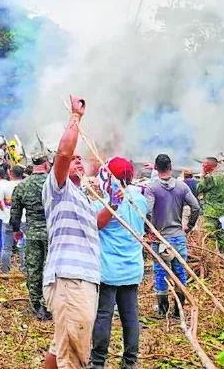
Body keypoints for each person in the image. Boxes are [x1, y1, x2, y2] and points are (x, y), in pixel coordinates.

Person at [42, 96, 100, 369]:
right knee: (74, 355)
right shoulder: (58, 188)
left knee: (61, 346)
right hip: (70, 279)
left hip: (83, 278)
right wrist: (76, 118)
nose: (77, 161)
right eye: (73, 159)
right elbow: (64, 154)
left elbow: (97, 225)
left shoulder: (82, 196)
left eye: (81, 159)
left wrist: (117, 200)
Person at [90, 157, 147, 369]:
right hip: (132, 267)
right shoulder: (139, 199)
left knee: (103, 315)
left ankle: (97, 362)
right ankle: (130, 362)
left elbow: (95, 224)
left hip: (108, 270)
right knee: (130, 316)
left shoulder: (105, 202)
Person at [144, 153, 200, 316]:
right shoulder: (182, 187)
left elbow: (147, 211)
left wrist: (150, 231)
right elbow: (196, 207)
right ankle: (179, 310)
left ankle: (162, 309)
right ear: (170, 167)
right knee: (179, 271)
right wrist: (188, 226)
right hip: (178, 236)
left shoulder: (152, 188)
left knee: (161, 272)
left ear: (156, 167)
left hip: (160, 238)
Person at [11, 152, 51, 320]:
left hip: (32, 233)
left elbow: (15, 214)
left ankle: (36, 305)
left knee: (33, 270)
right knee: (51, 269)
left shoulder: (22, 186)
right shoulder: (53, 184)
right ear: (47, 164)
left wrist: (17, 230)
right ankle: (48, 304)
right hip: (52, 233)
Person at [196, 157, 224, 256]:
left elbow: (199, 188)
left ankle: (212, 258)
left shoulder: (209, 178)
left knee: (209, 236)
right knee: (222, 236)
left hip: (211, 213)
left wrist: (203, 175)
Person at [0, 166, 24, 273]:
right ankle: (24, 270)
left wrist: (5, 209)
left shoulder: (5, 186)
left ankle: (4, 271)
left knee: (6, 247)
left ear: (10, 173)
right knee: (22, 247)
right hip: (23, 219)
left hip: (8, 219)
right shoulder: (24, 185)